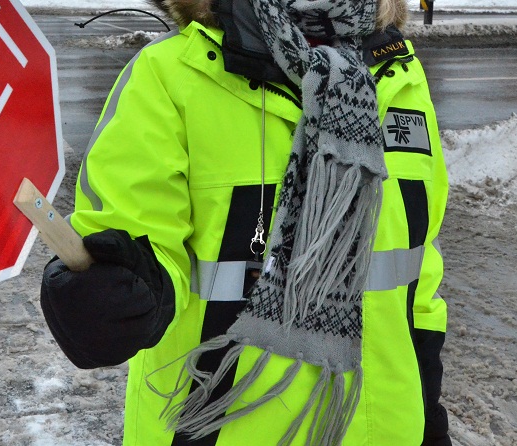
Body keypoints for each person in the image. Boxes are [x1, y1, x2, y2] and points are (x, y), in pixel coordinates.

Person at [39, 0, 452, 444]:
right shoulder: (172, 75)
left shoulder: (400, 77)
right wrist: (111, 295)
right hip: (220, 427)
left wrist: (428, 410)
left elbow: (417, 270)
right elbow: (134, 236)